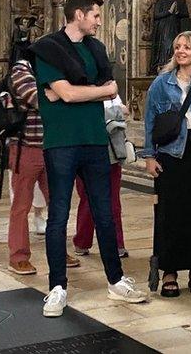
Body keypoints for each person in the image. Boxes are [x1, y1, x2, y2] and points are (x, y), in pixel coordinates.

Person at [31, 0, 147, 318]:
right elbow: (67, 94)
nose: (99, 20)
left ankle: (116, 280)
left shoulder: (97, 48)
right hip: (62, 142)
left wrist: (71, 93)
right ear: (79, 15)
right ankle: (57, 288)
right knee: (57, 216)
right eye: (95, 15)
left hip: (96, 140)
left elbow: (100, 89)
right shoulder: (48, 47)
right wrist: (88, 92)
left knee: (105, 212)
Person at [142, 31, 191, 298]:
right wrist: (149, 155)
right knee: (169, 215)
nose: (181, 50)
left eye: (187, 47)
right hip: (172, 153)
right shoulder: (161, 83)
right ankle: (169, 270)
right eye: (177, 47)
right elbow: (150, 121)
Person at [5, 53, 82, 274]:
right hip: (26, 146)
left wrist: (65, 92)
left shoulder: (54, 70)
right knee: (22, 205)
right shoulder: (21, 70)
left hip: (54, 146)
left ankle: (58, 251)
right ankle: (18, 255)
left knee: (58, 203)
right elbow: (39, 99)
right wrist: (65, 93)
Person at [72, 92, 131, 260]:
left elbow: (124, 110)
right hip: (85, 151)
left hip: (110, 152)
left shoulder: (108, 88)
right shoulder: (76, 88)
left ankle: (116, 243)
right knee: (87, 200)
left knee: (113, 201)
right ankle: (82, 241)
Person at [149, 0, 190, 75]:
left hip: (176, 28)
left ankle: (175, 65)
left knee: (174, 45)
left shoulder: (180, 1)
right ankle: (163, 66)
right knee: (165, 46)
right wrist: (169, 12)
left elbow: (186, 15)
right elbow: (156, 15)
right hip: (163, 30)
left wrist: (177, 13)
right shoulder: (160, 1)